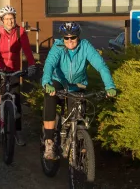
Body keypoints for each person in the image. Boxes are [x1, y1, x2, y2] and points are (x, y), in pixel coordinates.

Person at [40, 22, 117, 161]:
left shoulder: (86, 46)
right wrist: (47, 83)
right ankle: (49, 142)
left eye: (73, 37)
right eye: (66, 38)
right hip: (58, 82)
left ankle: (80, 140)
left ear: (78, 36)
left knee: (79, 114)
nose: (70, 41)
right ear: (63, 38)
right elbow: (49, 64)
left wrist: (109, 86)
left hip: (77, 85)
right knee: (49, 98)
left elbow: (101, 66)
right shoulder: (58, 47)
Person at [0, 5, 37, 146]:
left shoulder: (20, 32)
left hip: (13, 68)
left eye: (12, 18)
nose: (10, 22)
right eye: (7, 19)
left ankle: (17, 131)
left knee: (16, 98)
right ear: (2, 21)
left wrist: (32, 64)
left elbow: (27, 50)